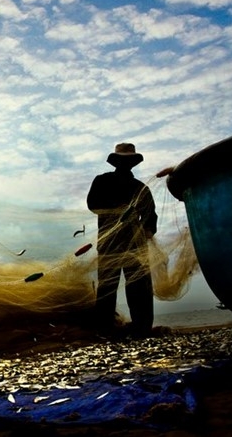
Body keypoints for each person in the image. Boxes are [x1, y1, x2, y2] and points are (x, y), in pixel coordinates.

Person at [87, 143, 157, 338]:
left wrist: (148, 230)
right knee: (107, 286)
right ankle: (104, 328)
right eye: (122, 160)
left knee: (138, 286)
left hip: (135, 245)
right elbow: (93, 204)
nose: (125, 163)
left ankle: (141, 328)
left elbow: (150, 215)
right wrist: (119, 208)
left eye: (129, 160)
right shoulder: (102, 181)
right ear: (116, 162)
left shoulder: (141, 188)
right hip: (110, 242)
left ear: (133, 163)